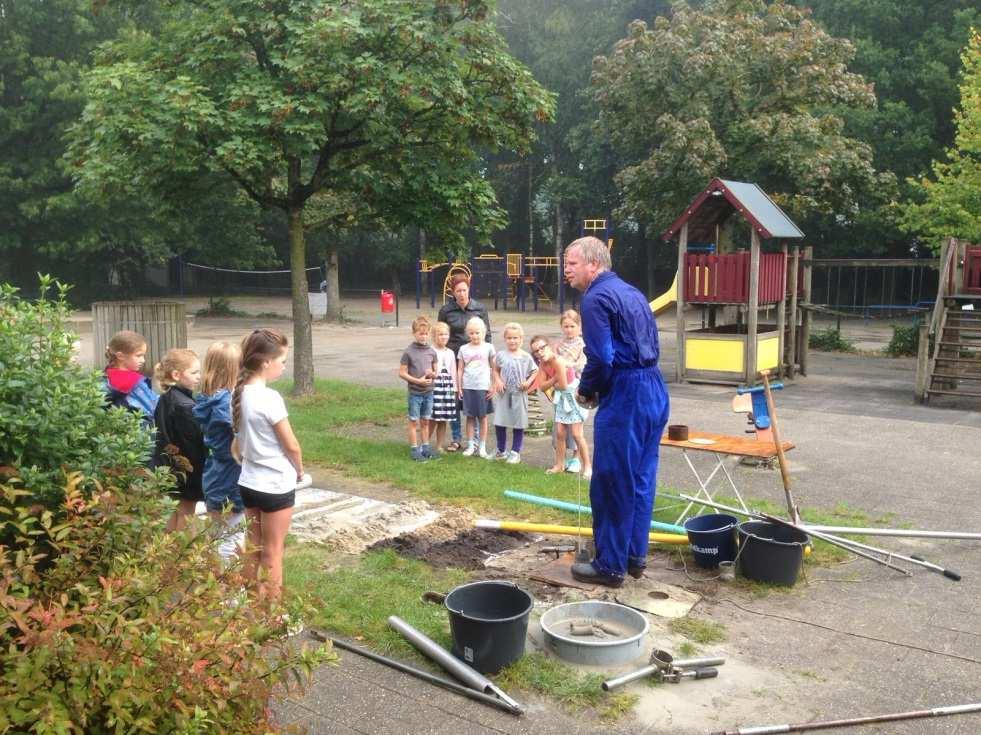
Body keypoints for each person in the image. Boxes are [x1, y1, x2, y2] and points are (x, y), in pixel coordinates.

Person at [564, 236, 670, 588]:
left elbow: (602, 357)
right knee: (641, 478)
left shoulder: (594, 298)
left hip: (628, 395)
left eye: (572, 263)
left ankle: (610, 565)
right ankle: (634, 557)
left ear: (593, 264)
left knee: (612, 480)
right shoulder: (632, 292)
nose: (566, 270)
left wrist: (586, 389)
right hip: (655, 389)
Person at [233, 329, 303, 602]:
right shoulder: (269, 398)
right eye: (282, 361)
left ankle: (251, 607)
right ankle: (273, 618)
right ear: (265, 363)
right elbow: (291, 445)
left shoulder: (239, 394)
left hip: (249, 481)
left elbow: (236, 442)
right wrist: (299, 469)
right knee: (273, 551)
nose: (284, 367)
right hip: (274, 484)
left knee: (253, 547)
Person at [194, 341, 246, 563]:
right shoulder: (225, 401)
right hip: (229, 477)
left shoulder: (207, 398)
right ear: (234, 369)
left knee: (218, 535)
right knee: (231, 538)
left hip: (214, 474)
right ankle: (230, 594)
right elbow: (237, 432)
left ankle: (216, 588)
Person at [152, 348, 206, 533]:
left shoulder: (166, 398)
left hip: (168, 464)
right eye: (194, 372)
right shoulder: (185, 406)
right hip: (186, 468)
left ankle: (168, 552)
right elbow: (192, 442)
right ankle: (184, 556)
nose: (199, 376)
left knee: (175, 511)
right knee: (186, 512)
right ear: (176, 374)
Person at [436, 274, 492, 451]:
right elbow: (440, 332)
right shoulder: (446, 311)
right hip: (453, 359)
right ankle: (456, 438)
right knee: (454, 400)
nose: (461, 294)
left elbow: (487, 334)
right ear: (453, 292)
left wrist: (490, 363)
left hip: (476, 360)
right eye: (458, 291)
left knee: (474, 401)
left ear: (469, 290)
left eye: (464, 290)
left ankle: (475, 440)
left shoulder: (479, 308)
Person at [529, 336, 591, 479]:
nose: (539, 352)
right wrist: (555, 379)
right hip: (561, 398)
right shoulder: (543, 365)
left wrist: (552, 381)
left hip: (573, 396)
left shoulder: (557, 361)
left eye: (542, 348)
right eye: (536, 351)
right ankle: (559, 465)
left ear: (549, 346)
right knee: (560, 433)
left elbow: (562, 385)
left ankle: (588, 466)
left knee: (576, 434)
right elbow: (542, 386)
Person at [490, 322, 537, 464]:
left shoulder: (526, 357)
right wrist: (497, 381)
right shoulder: (501, 355)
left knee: (518, 423)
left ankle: (515, 452)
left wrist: (528, 383)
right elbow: (495, 370)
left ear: (521, 339)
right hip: (504, 394)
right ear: (505, 339)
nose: (512, 341)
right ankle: (501, 450)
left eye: (515, 338)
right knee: (500, 422)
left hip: (519, 394)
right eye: (509, 338)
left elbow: (535, 371)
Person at [399, 316, 438, 461]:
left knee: (426, 421)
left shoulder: (432, 351)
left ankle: (426, 447)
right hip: (415, 393)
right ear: (414, 333)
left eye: (426, 333)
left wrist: (432, 374)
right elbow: (402, 373)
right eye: (420, 333)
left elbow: (436, 371)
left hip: (429, 392)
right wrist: (417, 381)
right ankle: (414, 449)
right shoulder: (408, 352)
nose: (423, 336)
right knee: (414, 421)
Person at [457, 316, 495, 459]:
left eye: (477, 332)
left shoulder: (489, 347)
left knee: (483, 417)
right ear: (468, 334)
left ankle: (482, 446)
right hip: (468, 386)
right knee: (470, 417)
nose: (475, 336)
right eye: (471, 333)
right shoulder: (463, 349)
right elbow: (460, 369)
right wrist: (459, 387)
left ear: (484, 332)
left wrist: (493, 385)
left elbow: (494, 367)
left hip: (483, 387)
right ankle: (471, 445)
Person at [103, 330, 158, 426]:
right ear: (120, 356)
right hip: (139, 434)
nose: (143, 360)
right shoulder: (135, 382)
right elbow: (154, 407)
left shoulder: (105, 376)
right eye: (139, 355)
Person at [556, 309, 587, 473]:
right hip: (562, 390)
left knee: (576, 427)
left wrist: (567, 365)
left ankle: (576, 458)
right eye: (566, 326)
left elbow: (582, 364)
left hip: (577, 388)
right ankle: (560, 460)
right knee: (561, 427)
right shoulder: (559, 346)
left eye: (572, 326)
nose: (569, 329)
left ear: (579, 327)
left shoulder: (583, 345)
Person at [430, 321, 459, 453]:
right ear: (434, 336)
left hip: (447, 389)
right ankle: (424, 443)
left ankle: (439, 445)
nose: (443, 337)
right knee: (432, 418)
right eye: (440, 334)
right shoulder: (430, 351)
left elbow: (453, 371)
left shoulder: (451, 353)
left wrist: (454, 389)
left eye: (446, 334)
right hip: (434, 388)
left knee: (443, 419)